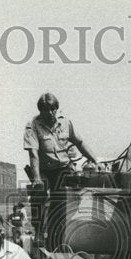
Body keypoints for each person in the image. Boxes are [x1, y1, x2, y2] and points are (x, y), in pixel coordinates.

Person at [24, 92, 98, 242]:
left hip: (62, 167)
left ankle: (56, 236)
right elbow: (33, 154)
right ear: (40, 111)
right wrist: (37, 178)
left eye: (53, 109)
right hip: (43, 169)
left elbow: (80, 142)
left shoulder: (66, 123)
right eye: (45, 110)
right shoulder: (32, 126)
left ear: (57, 109)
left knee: (61, 200)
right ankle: (38, 232)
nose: (50, 113)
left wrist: (95, 161)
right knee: (39, 193)